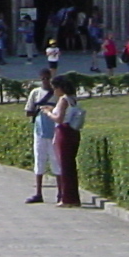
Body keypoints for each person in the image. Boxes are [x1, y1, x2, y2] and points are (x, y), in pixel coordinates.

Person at [49, 77, 86, 207]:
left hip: (63, 132)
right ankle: (73, 196)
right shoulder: (73, 99)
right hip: (73, 133)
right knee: (70, 165)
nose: (54, 90)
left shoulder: (63, 99)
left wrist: (48, 112)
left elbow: (58, 119)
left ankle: (67, 198)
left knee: (64, 166)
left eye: (55, 88)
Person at [25, 68, 58, 203]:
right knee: (39, 160)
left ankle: (60, 193)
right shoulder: (36, 93)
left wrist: (51, 110)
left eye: (47, 78)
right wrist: (40, 111)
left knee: (56, 160)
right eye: (43, 79)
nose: (45, 81)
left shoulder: (56, 94)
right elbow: (28, 111)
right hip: (39, 130)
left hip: (55, 131)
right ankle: (38, 192)